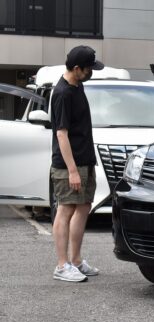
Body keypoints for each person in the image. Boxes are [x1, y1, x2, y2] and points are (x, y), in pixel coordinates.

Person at [51, 46, 103, 282]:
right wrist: (72, 170)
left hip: (84, 159)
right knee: (66, 209)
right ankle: (62, 266)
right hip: (67, 165)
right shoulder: (62, 93)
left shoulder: (77, 85)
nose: (92, 71)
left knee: (83, 207)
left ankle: (76, 261)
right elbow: (61, 134)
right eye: (89, 67)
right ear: (76, 68)